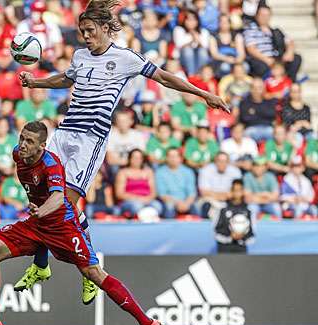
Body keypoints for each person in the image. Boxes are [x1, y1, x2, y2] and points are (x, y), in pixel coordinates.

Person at [17, 0, 229, 305]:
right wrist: (36, 81)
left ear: (105, 28)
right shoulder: (79, 56)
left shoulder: (126, 58)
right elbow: (66, 78)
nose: (85, 36)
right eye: (82, 31)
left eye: (90, 30)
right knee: (41, 197)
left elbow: (165, 77)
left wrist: (203, 93)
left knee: (62, 205)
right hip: (64, 133)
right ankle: (46, 265)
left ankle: (79, 268)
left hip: (90, 140)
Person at [0, 121, 165, 325]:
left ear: (42, 146)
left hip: (62, 225)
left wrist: (41, 211)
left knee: (95, 274)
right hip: (36, 225)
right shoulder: (17, 155)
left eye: (29, 141)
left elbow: (58, 198)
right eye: (22, 138)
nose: (23, 144)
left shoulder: (51, 164)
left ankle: (149, 324)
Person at [243, 6, 302, 81]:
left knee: (296, 58)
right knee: (260, 67)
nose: (265, 18)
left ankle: (288, 83)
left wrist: (289, 52)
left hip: (277, 58)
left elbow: (290, 42)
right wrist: (266, 59)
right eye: (262, 15)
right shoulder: (250, 30)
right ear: (257, 16)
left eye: (267, 15)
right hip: (262, 59)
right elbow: (251, 49)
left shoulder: (276, 31)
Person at [114, 149, 162, 218]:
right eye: (134, 157)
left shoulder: (148, 172)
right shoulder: (123, 172)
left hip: (147, 200)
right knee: (137, 206)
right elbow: (119, 194)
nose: (137, 160)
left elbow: (153, 192)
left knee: (157, 206)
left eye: (139, 158)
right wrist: (138, 198)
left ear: (142, 160)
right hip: (129, 201)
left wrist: (147, 199)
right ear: (130, 159)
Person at [155, 148, 199, 218]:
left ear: (180, 158)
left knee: (197, 205)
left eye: (175, 156)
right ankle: (168, 227)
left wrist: (186, 203)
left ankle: (198, 227)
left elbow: (192, 192)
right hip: (169, 201)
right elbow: (162, 194)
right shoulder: (160, 172)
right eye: (170, 156)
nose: (173, 159)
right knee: (169, 206)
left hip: (186, 201)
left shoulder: (188, 171)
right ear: (166, 158)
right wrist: (178, 202)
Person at [214, 179, 255, 253]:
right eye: (235, 190)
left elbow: (252, 235)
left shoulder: (248, 210)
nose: (237, 193)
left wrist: (242, 237)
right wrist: (230, 237)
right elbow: (216, 231)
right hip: (224, 248)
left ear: (243, 192)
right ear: (231, 191)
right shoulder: (222, 208)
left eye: (239, 190)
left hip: (241, 247)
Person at [197, 152, 242, 218]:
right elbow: (204, 192)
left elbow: (238, 191)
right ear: (215, 162)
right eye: (219, 161)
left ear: (228, 162)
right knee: (205, 205)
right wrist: (222, 196)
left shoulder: (235, 171)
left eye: (224, 161)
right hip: (211, 200)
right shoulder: (206, 170)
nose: (222, 164)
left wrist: (228, 196)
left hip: (229, 200)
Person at [235, 77, 277, 142]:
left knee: (275, 134)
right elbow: (246, 118)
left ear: (264, 89)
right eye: (254, 88)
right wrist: (263, 113)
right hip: (251, 128)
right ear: (250, 89)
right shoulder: (244, 102)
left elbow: (272, 114)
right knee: (247, 134)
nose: (256, 91)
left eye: (259, 88)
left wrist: (255, 111)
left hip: (267, 128)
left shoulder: (270, 100)